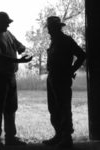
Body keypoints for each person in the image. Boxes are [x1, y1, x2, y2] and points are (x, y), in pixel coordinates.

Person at [0, 11, 32, 147]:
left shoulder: (8, 34)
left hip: (10, 77)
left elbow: (17, 44)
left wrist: (22, 48)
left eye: (8, 23)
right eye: (6, 23)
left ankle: (10, 137)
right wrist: (18, 60)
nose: (8, 26)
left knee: (11, 108)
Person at [42, 16, 86, 149]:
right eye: (48, 28)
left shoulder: (66, 40)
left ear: (56, 27)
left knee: (63, 108)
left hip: (61, 79)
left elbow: (82, 55)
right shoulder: (54, 41)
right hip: (53, 78)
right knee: (54, 108)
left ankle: (67, 138)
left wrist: (71, 70)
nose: (48, 30)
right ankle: (59, 135)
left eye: (50, 28)